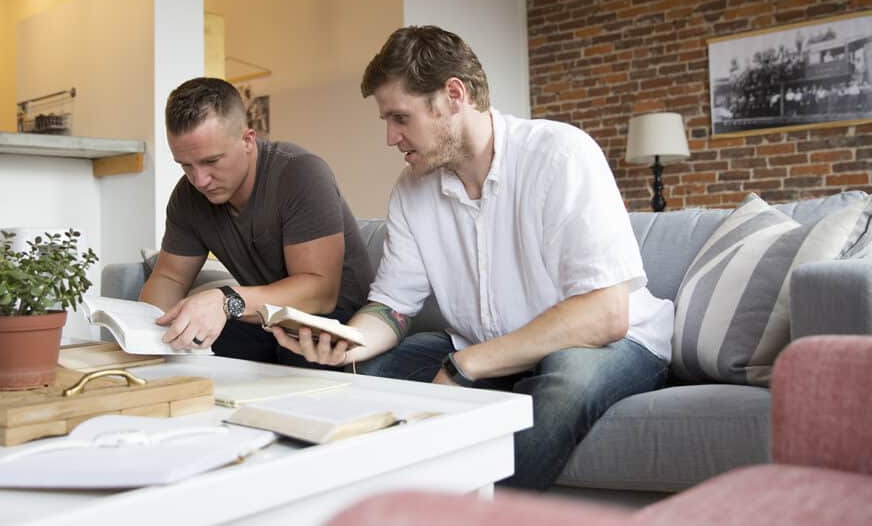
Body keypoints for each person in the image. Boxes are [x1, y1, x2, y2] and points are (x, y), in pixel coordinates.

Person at [272, 26, 674, 489]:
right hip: (484, 345)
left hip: (608, 345)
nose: (390, 137)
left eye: (400, 118)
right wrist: (345, 342)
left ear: (453, 95)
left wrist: (466, 366)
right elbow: (394, 306)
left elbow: (605, 314)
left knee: (565, 385)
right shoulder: (410, 191)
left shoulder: (559, 155)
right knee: (367, 377)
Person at [142, 77, 374, 366]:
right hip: (267, 320)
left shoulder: (300, 173)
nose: (199, 180)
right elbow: (170, 278)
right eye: (186, 165)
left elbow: (320, 293)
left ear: (248, 140)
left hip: (334, 322)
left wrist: (226, 300)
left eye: (212, 161)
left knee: (292, 355)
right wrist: (143, 332)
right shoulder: (188, 197)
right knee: (187, 350)